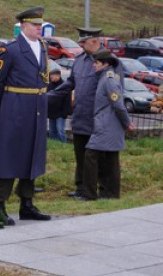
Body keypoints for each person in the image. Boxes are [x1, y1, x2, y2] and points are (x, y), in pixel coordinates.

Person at [0, 7, 51, 226]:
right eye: (34, 24)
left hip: (37, 108)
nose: (39, 28)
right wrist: (10, 104)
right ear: (23, 26)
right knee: (9, 156)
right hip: (16, 107)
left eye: (40, 25)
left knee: (32, 154)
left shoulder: (42, 46)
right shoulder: (9, 49)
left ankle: (27, 203)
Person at [48, 27, 116, 197]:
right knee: (81, 156)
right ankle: (81, 188)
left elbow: (114, 89)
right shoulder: (79, 61)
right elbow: (70, 83)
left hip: (98, 118)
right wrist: (48, 96)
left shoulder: (108, 60)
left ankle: (103, 190)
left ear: (94, 42)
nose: (81, 46)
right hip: (80, 116)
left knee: (100, 158)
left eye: (83, 43)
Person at [78, 50, 134, 201]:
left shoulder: (109, 80)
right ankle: (111, 194)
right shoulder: (105, 78)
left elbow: (118, 104)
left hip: (107, 124)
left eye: (96, 63)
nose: (94, 65)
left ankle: (89, 194)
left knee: (91, 155)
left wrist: (127, 122)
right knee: (111, 159)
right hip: (108, 124)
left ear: (106, 64)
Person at [47, 70, 70, 143]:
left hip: (60, 113)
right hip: (51, 112)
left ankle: (64, 145)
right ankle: (55, 145)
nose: (51, 77)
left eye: (52, 75)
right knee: (52, 131)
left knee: (60, 131)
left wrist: (65, 112)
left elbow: (67, 101)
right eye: (50, 76)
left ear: (58, 76)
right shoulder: (49, 85)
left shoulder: (64, 85)